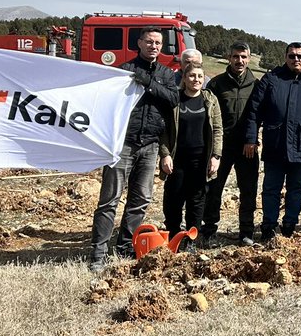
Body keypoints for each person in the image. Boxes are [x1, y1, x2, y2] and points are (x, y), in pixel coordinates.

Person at [89, 27, 179, 272]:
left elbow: (173, 100)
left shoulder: (167, 74)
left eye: (158, 43)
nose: (154, 46)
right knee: (110, 199)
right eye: (149, 42)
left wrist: (149, 83)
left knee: (140, 199)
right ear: (139, 43)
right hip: (123, 144)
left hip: (150, 144)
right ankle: (98, 253)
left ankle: (126, 245)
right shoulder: (124, 72)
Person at [243, 42, 301, 241]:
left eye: (300, 56)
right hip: (275, 144)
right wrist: (251, 138)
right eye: (292, 56)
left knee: (296, 189)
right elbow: (254, 111)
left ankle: (289, 225)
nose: (296, 59)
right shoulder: (272, 79)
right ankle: (268, 226)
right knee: (270, 189)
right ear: (285, 57)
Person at [159, 65, 222, 247]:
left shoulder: (210, 100)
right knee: (173, 199)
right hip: (177, 159)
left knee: (197, 200)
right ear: (184, 78)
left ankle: (191, 239)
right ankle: (173, 238)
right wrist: (165, 154)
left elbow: (218, 130)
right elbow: (164, 130)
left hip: (201, 159)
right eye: (192, 76)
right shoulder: (175, 100)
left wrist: (215, 156)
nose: (196, 80)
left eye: (200, 76)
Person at [204, 42, 259, 246]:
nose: (240, 61)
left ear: (249, 58)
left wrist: (252, 140)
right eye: (236, 56)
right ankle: (209, 230)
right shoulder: (217, 84)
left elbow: (259, 115)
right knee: (214, 189)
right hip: (221, 147)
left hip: (248, 147)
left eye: (243, 57)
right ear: (229, 58)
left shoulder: (256, 84)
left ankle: (246, 232)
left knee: (248, 191)